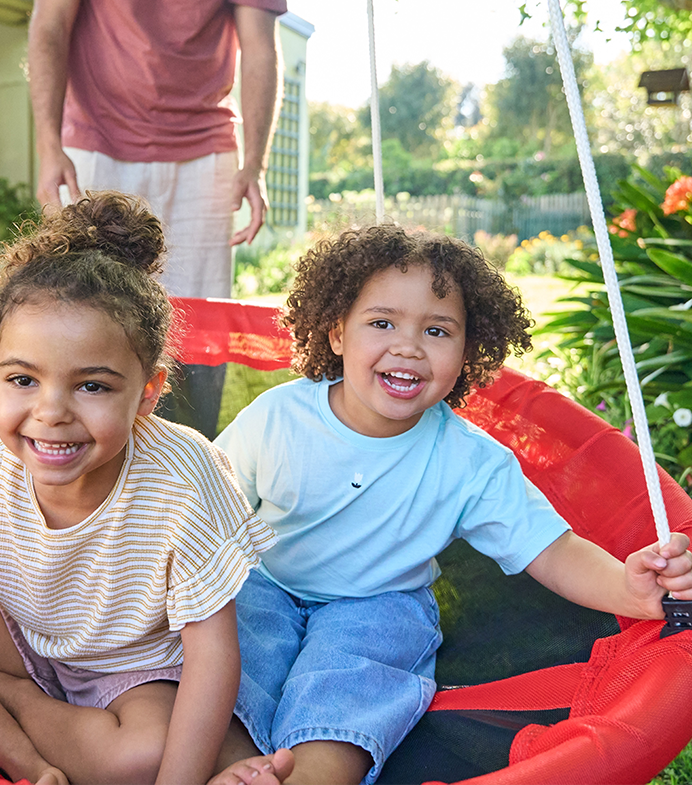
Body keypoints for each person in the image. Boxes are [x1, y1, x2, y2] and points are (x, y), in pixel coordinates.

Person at [206, 223, 692, 785]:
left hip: (380, 602)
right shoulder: (278, 418)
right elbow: (206, 513)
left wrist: (627, 589)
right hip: (268, 580)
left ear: (468, 350)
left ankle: (315, 775)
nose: (408, 346)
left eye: (437, 330)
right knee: (237, 645)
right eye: (382, 323)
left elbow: (553, 550)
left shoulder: (470, 460)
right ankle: (232, 769)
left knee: (353, 677)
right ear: (337, 332)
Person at [0, 191, 276, 785]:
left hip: (134, 672)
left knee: (142, 758)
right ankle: (27, 760)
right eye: (23, 379)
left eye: (91, 386)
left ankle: (10, 706)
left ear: (148, 391)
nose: (51, 412)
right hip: (17, 632)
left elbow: (212, 660)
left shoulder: (186, 477)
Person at [23, 0, 287, 302]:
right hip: (95, 144)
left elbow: (261, 49)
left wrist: (254, 165)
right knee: (89, 313)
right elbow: (50, 26)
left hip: (204, 154)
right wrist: (50, 146)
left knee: (198, 331)